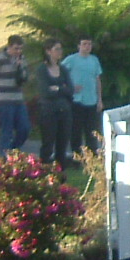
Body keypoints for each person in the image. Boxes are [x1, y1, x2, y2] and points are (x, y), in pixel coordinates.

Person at [35, 39, 74, 167]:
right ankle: (43, 169)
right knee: (48, 142)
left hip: (64, 110)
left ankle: (60, 170)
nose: (60, 51)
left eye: (60, 49)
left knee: (62, 142)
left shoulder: (63, 69)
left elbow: (70, 90)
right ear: (48, 51)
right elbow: (45, 92)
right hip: (48, 110)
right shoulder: (42, 69)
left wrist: (57, 88)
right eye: (56, 49)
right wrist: (62, 89)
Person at [62, 36, 103, 154]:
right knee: (76, 131)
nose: (87, 47)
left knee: (92, 131)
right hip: (76, 100)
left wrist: (99, 99)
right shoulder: (71, 60)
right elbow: (60, 74)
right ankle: (76, 156)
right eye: (84, 44)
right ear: (79, 46)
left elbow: (97, 79)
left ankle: (92, 156)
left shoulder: (94, 60)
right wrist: (70, 87)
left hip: (91, 100)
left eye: (89, 44)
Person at [0, 34, 30, 153]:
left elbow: (24, 79)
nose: (18, 51)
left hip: (18, 99)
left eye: (20, 49)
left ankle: (13, 150)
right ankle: (5, 156)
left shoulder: (22, 59)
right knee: (7, 130)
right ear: (9, 47)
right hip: (4, 99)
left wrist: (20, 67)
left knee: (24, 128)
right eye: (16, 48)